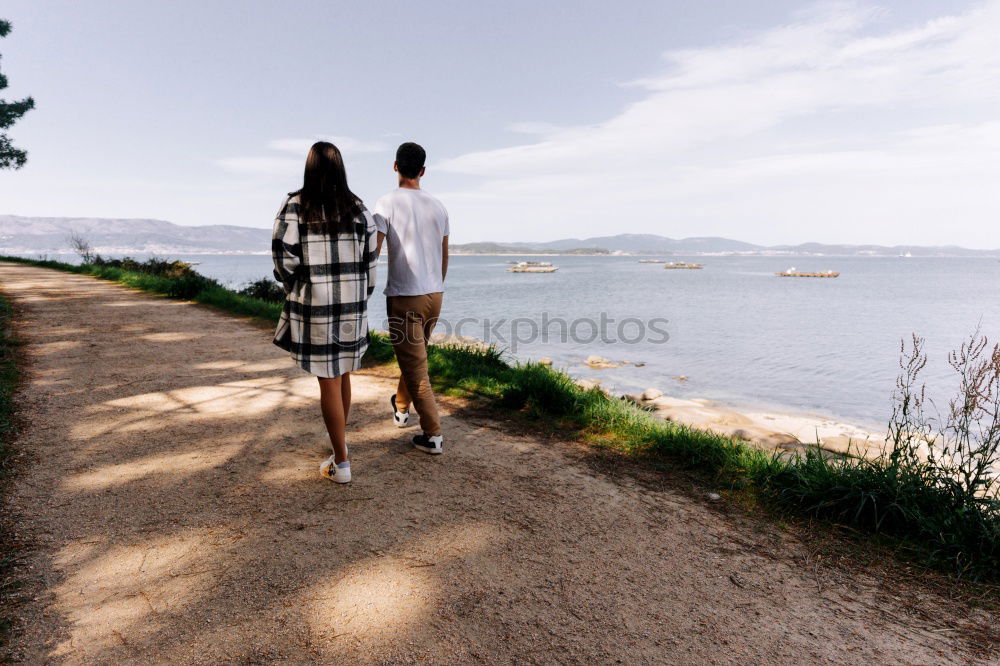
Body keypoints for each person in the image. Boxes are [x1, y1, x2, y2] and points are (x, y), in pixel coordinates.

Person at [272, 141, 379, 483]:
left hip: (315, 307)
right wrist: (361, 295)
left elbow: (283, 259)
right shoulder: (359, 208)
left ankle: (342, 463)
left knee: (329, 381)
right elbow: (371, 264)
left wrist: (296, 288)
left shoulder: (296, 206)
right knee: (343, 373)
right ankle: (338, 450)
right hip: (351, 306)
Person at [372, 142, 449, 454]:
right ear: (423, 170)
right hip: (434, 295)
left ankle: (432, 435)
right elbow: (444, 256)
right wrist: (435, 285)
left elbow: (372, 251)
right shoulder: (439, 206)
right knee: (414, 358)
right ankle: (401, 407)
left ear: (395, 166)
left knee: (417, 370)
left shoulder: (386, 202)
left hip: (405, 296)